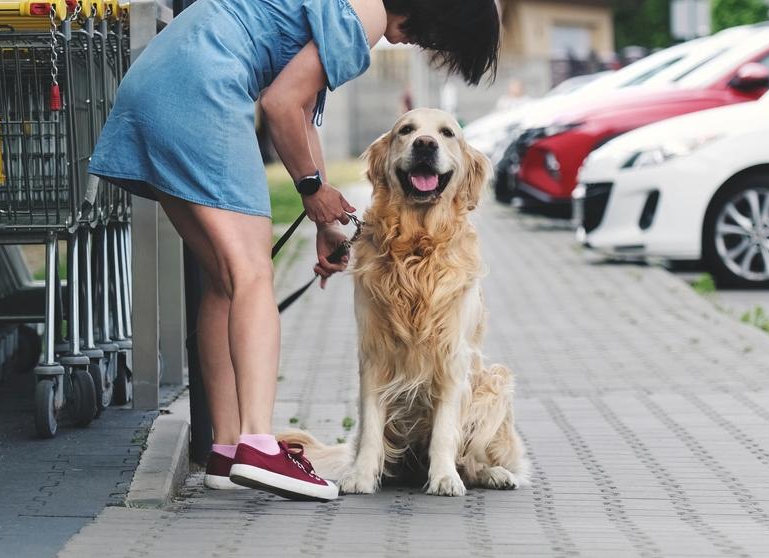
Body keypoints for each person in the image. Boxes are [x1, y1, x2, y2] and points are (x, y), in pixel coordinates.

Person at [87, 0, 501, 502]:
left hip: (154, 85)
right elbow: (282, 103)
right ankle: (260, 446)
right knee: (253, 275)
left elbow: (301, 113)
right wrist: (311, 190)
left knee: (224, 280)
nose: (419, 45)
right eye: (436, 40)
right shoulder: (365, 14)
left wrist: (323, 215)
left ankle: (226, 448)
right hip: (204, 90)